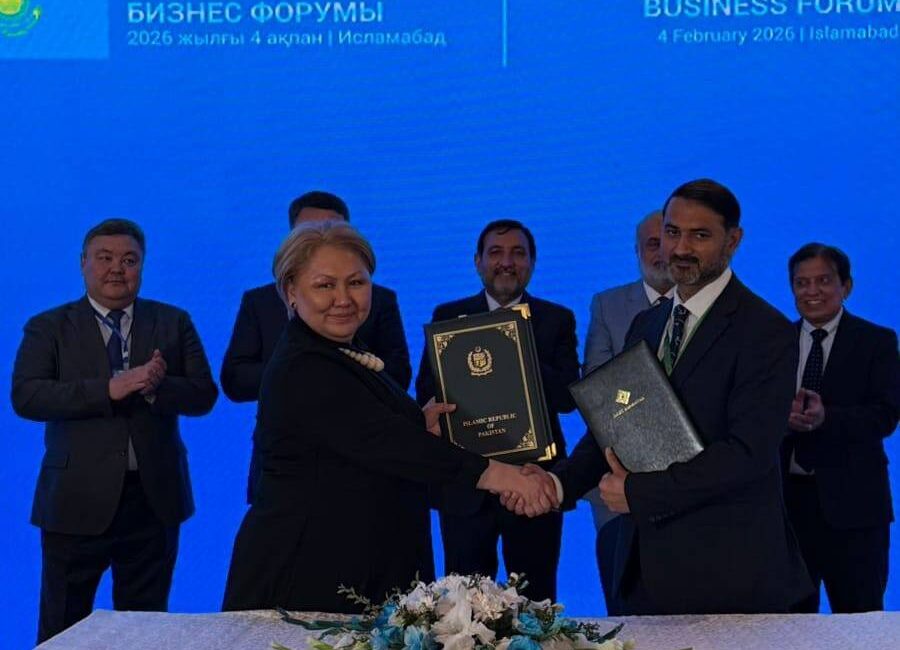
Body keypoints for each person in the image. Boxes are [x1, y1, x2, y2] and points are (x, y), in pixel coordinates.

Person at [221, 220, 556, 613]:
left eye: (356, 283)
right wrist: (504, 476)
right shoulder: (304, 365)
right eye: (325, 285)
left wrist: (420, 422)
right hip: (309, 577)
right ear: (291, 291)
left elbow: (366, 432)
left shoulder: (344, 350)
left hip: (356, 567)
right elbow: (388, 443)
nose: (343, 298)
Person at [519, 179, 812, 615]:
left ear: (733, 240)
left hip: (730, 573)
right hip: (646, 572)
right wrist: (557, 483)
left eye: (700, 235)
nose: (680, 248)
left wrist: (638, 492)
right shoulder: (648, 324)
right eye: (672, 232)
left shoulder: (765, 331)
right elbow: (617, 423)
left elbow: (747, 453)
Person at [12, 218, 218, 643]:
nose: (116, 269)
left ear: (142, 265)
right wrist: (109, 388)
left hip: (153, 499)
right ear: (83, 263)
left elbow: (204, 394)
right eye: (104, 258)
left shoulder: (173, 321)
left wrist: (155, 386)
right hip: (75, 500)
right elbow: (28, 396)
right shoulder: (48, 326)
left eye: (129, 260)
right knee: (62, 628)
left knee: (144, 629)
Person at [415, 219, 579, 603]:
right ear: (478, 261)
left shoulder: (557, 319)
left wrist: (515, 344)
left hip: (533, 480)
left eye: (518, 253)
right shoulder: (448, 316)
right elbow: (426, 391)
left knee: (537, 598)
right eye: (496, 253)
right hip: (466, 481)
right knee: (463, 602)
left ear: (532, 263)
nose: (507, 262)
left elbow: (568, 398)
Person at [221, 190, 411, 503]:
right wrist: (303, 371)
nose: (342, 300)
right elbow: (235, 379)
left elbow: (398, 372)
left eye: (335, 230)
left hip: (370, 461)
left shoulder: (378, 298)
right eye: (310, 231)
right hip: (286, 470)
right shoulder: (259, 302)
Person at [782, 242, 898, 613]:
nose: (812, 291)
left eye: (823, 281)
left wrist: (826, 418)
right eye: (802, 283)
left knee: (861, 620)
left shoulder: (877, 341)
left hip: (855, 510)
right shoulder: (773, 342)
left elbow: (886, 415)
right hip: (786, 509)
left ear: (845, 286)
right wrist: (782, 419)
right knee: (787, 625)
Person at [581, 209, 674, 609]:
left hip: (688, 485)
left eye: (667, 242)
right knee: (623, 605)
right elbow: (597, 386)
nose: (661, 252)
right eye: (652, 244)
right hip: (616, 476)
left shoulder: (705, 313)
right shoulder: (608, 304)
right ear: (637, 251)